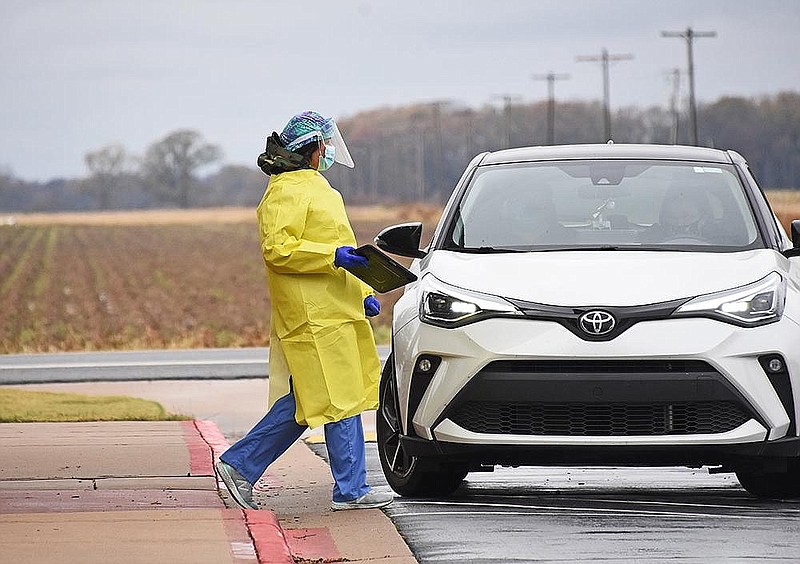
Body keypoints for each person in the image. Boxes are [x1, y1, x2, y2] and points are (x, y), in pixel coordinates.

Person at [215, 111, 393, 512]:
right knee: (337, 397)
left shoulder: (317, 187)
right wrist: (334, 257)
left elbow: (338, 245)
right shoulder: (285, 191)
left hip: (334, 310)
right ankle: (351, 489)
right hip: (313, 318)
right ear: (312, 148)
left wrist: (362, 288)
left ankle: (240, 465)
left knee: (314, 399)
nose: (329, 151)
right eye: (326, 144)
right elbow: (279, 250)